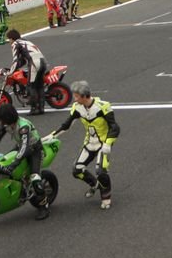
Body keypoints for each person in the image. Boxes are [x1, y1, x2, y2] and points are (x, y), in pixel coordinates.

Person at [48, 80, 120, 210]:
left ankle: (106, 197)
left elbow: (115, 127)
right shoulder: (77, 107)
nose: (74, 99)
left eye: (76, 96)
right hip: (89, 143)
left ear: (84, 96)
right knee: (77, 170)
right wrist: (52, 135)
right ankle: (95, 185)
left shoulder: (103, 106)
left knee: (101, 171)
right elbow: (67, 124)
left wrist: (108, 143)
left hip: (103, 143)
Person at [0, 103, 49, 220]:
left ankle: (43, 207)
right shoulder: (5, 124)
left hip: (34, 150)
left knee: (35, 179)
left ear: (7, 117)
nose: (0, 122)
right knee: (2, 164)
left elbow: (25, 148)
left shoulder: (23, 127)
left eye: (1, 119)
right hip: (20, 147)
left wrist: (13, 165)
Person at [6, 29, 47, 115]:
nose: (9, 41)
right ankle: (41, 108)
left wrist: (10, 72)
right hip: (43, 62)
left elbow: (16, 60)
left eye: (9, 39)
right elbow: (23, 61)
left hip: (34, 64)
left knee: (30, 86)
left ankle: (34, 108)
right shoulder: (25, 41)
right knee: (39, 86)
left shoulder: (15, 43)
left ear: (12, 38)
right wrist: (16, 68)